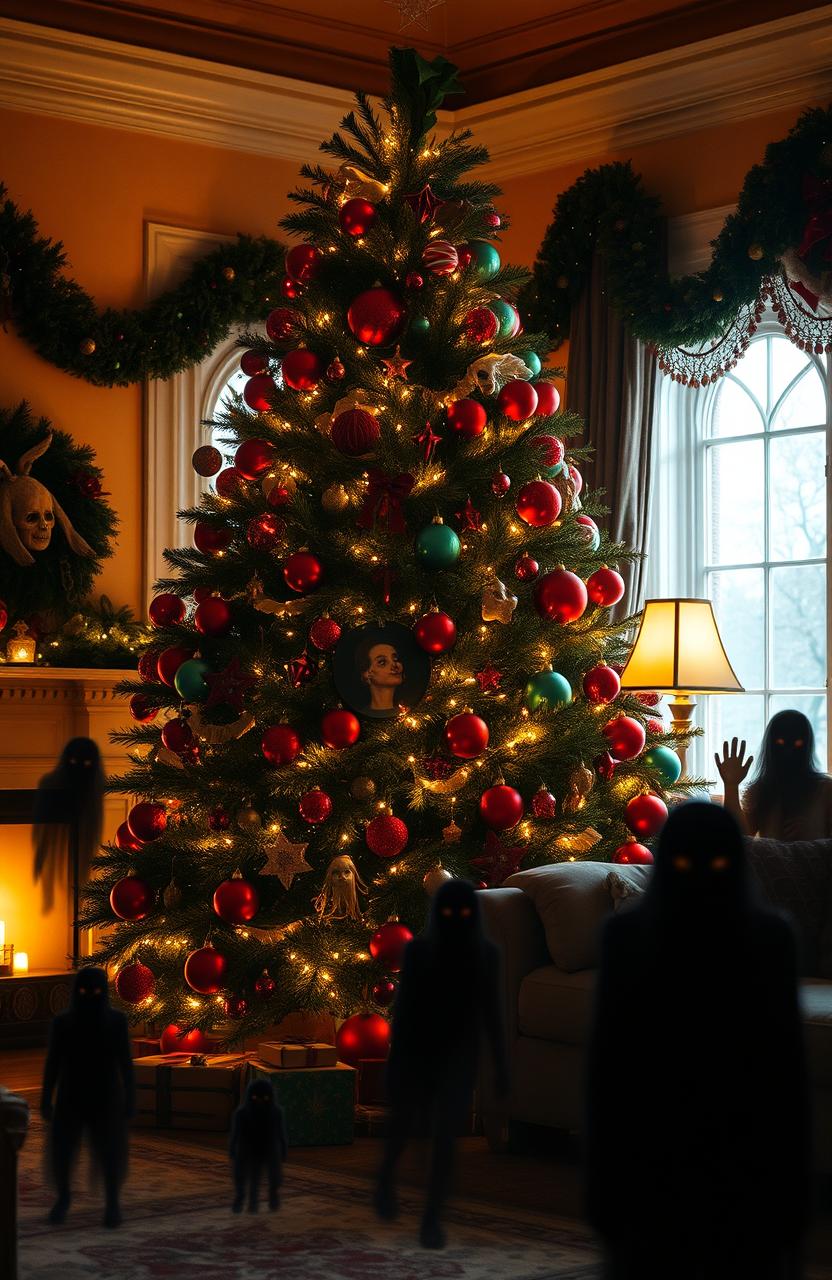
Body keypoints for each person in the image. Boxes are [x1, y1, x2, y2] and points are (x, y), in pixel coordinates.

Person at [585, 802, 810, 1279]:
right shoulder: (770, 939)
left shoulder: (627, 938)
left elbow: (608, 1077)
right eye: (691, 866)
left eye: (716, 866)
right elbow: (787, 1084)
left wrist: (603, 1196)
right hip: (739, 1166)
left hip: (657, 1160)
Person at [374, 878, 508, 1249]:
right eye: (449, 913)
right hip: (418, 1050)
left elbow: (493, 1015)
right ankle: (386, 1181)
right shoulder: (419, 952)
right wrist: (397, 1058)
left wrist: (499, 1065)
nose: (455, 920)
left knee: (446, 1138)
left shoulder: (485, 955)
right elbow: (404, 1012)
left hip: (458, 1056)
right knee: (402, 1126)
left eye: (462, 913)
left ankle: (431, 1217)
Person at [41, 966, 134, 1228]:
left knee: (109, 1152)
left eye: (94, 991)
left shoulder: (116, 1022)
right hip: (73, 1094)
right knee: (63, 1151)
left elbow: (125, 1064)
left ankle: (112, 1202)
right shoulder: (63, 1023)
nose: (89, 996)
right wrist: (46, 1097)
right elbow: (53, 1063)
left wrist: (130, 1098)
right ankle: (64, 1197)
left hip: (105, 1094)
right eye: (84, 991)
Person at [715, 710, 832, 839]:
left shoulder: (826, 790)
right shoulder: (759, 791)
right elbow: (738, 837)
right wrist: (731, 785)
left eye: (797, 743)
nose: (789, 751)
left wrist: (815, 834)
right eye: (781, 743)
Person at [33, 736, 105, 914]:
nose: (79, 769)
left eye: (86, 763)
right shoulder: (51, 786)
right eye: (74, 762)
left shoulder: (91, 794)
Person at [229, 1078, 288, 1214]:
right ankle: (244, 1198)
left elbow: (281, 1133)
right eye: (256, 1098)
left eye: (265, 1098)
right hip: (249, 1148)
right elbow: (235, 1135)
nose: (260, 1101)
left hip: (268, 1147)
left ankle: (271, 1195)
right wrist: (233, 1148)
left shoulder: (276, 1113)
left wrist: (283, 1149)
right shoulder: (242, 1114)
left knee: (274, 1177)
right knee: (244, 1176)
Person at [357, 637, 404, 716]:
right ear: (367, 674)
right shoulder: (360, 717)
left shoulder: (406, 715)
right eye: (382, 662)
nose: (395, 665)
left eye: (395, 659)